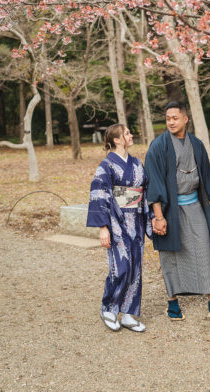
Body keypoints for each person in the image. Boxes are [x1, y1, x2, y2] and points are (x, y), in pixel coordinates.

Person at [144, 101, 210, 320]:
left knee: (202, 249)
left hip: (194, 205)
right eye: (167, 118)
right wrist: (158, 217)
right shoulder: (158, 146)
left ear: (185, 119)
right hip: (168, 209)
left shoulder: (196, 144)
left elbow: (206, 178)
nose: (171, 122)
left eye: (175, 118)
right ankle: (172, 302)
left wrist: (200, 201)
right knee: (170, 254)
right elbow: (153, 183)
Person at [87, 123, 152, 332]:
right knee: (120, 267)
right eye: (127, 133)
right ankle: (109, 308)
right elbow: (99, 195)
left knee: (135, 268)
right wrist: (103, 227)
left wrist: (153, 218)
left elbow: (146, 190)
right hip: (116, 222)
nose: (131, 135)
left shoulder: (137, 164)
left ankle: (129, 313)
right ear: (116, 140)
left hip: (137, 221)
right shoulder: (106, 166)